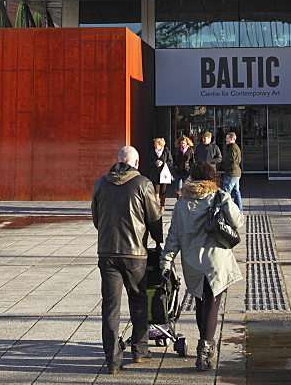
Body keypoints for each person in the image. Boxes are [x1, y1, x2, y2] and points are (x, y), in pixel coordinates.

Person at [160, 161, 243, 371]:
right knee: (213, 305)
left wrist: (166, 262)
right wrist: (225, 199)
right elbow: (238, 221)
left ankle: (203, 345)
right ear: (212, 178)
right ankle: (204, 353)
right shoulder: (218, 196)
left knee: (200, 302)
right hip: (216, 261)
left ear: (192, 178)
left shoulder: (181, 203)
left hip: (192, 262)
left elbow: (173, 236)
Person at [91, 145, 163, 374]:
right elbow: (154, 218)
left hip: (108, 253)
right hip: (135, 254)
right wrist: (158, 240)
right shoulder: (142, 183)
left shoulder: (101, 183)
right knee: (139, 301)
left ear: (118, 160)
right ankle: (140, 352)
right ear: (137, 161)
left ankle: (112, 361)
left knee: (110, 306)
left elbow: (96, 217)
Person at [147, 136, 174, 210]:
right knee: (156, 191)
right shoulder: (152, 152)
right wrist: (155, 163)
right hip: (155, 174)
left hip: (164, 174)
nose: (155, 145)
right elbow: (149, 162)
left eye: (156, 144)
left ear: (160, 145)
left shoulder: (166, 151)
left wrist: (163, 163)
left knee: (163, 191)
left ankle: (162, 205)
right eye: (154, 144)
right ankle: (156, 205)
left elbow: (170, 161)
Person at [221, 132, 242, 212]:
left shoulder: (232, 148)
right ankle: (239, 210)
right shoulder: (234, 147)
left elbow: (231, 160)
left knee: (226, 192)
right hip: (236, 172)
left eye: (227, 138)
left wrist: (226, 167)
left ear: (232, 139)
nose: (226, 139)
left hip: (232, 173)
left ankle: (226, 211)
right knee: (236, 192)